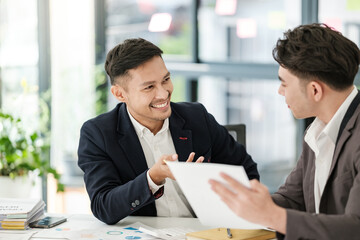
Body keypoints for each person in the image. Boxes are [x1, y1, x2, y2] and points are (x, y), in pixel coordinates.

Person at [77, 38, 259, 225]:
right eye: (149, 87)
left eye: (166, 80)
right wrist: (153, 178)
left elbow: (247, 172)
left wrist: (208, 184)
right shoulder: (98, 134)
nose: (163, 94)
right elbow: (103, 206)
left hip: (205, 231)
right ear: (120, 94)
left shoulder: (197, 117)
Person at [210, 23, 360, 239]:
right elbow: (292, 199)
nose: (279, 91)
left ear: (315, 90)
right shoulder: (318, 130)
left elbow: (355, 228)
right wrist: (243, 204)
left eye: (284, 84)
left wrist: (273, 216)